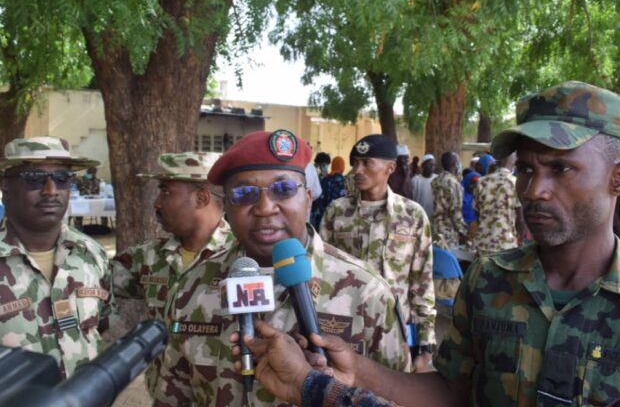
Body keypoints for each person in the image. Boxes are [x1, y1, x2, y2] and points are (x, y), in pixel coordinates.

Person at [233, 81, 620, 407]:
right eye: (525, 169)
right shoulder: (489, 281)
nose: (534, 189)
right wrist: (356, 370)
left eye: (561, 169)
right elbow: (451, 392)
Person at [155, 129, 409, 406]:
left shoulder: (368, 293)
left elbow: (399, 397)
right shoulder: (191, 286)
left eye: (283, 189)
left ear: (308, 198)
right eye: (244, 193)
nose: (265, 208)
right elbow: (172, 396)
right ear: (226, 205)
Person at [0, 136, 117, 378]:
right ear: (5, 185)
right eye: (34, 179)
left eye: (62, 178)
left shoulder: (91, 254)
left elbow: (100, 324)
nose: (51, 190)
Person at [112, 151, 234, 397]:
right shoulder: (149, 256)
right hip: (164, 396)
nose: (157, 203)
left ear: (201, 198)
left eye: (166, 192)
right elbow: (91, 286)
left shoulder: (242, 259)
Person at [321, 134, 435, 372]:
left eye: (367, 163)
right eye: (355, 163)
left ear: (389, 168)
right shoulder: (337, 212)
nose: (357, 170)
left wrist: (426, 345)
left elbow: (422, 283)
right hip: (345, 331)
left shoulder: (412, 215)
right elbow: (321, 273)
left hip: (395, 333)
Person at [471, 152, 523, 255]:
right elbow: (520, 219)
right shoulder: (515, 183)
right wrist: (520, 239)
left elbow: (477, 211)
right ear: (514, 162)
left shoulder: (482, 181)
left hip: (483, 244)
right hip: (506, 245)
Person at [431, 152, 467, 250]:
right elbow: (455, 211)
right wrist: (464, 232)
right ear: (454, 164)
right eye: (458, 161)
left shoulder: (436, 180)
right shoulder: (454, 183)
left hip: (436, 227)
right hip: (449, 232)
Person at [310, 156, 347, 230]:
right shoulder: (345, 181)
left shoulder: (325, 180)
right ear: (342, 167)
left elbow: (319, 198)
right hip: (340, 217)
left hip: (324, 217)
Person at [410, 153, 436, 219]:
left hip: (433, 216)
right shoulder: (415, 180)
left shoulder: (437, 179)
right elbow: (412, 199)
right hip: (419, 215)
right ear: (423, 165)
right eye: (430, 164)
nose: (432, 166)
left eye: (433, 164)